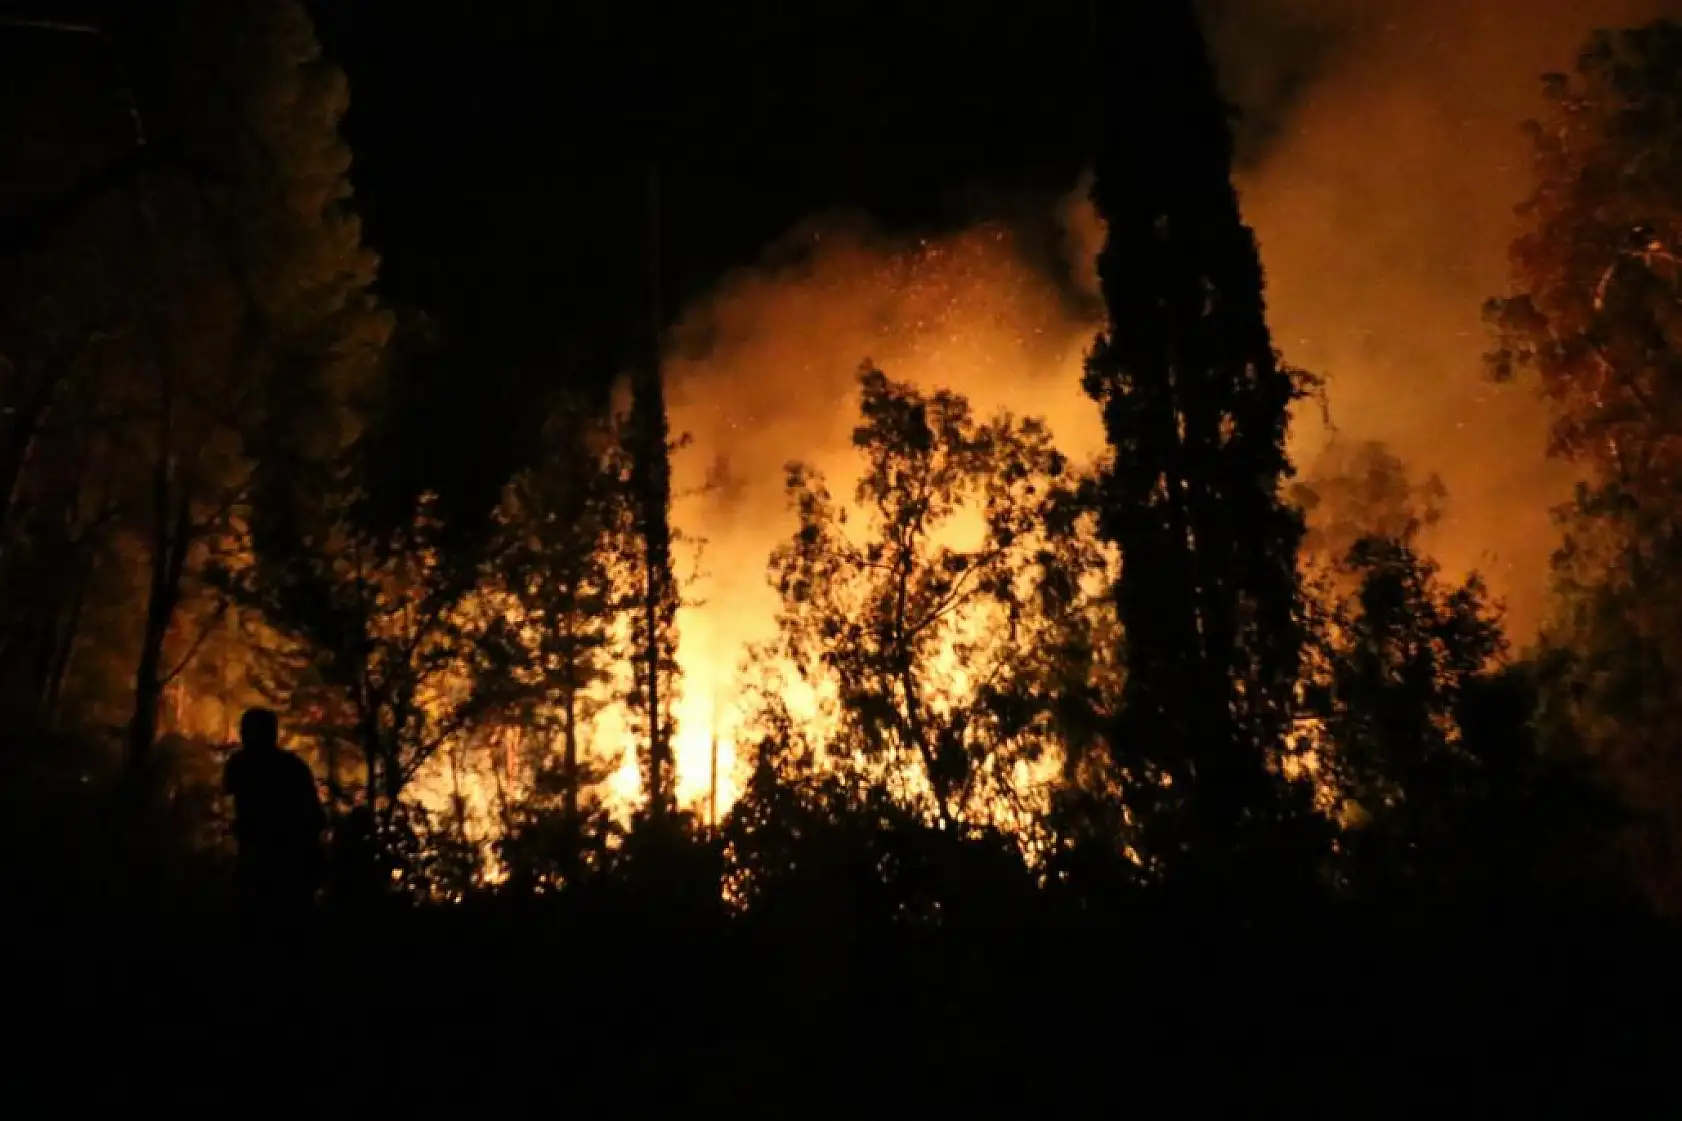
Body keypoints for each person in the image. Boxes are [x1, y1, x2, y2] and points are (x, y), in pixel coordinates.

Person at [223, 707, 325, 924]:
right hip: (282, 866)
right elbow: (316, 818)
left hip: (274, 864)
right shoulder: (292, 767)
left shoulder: (242, 765)